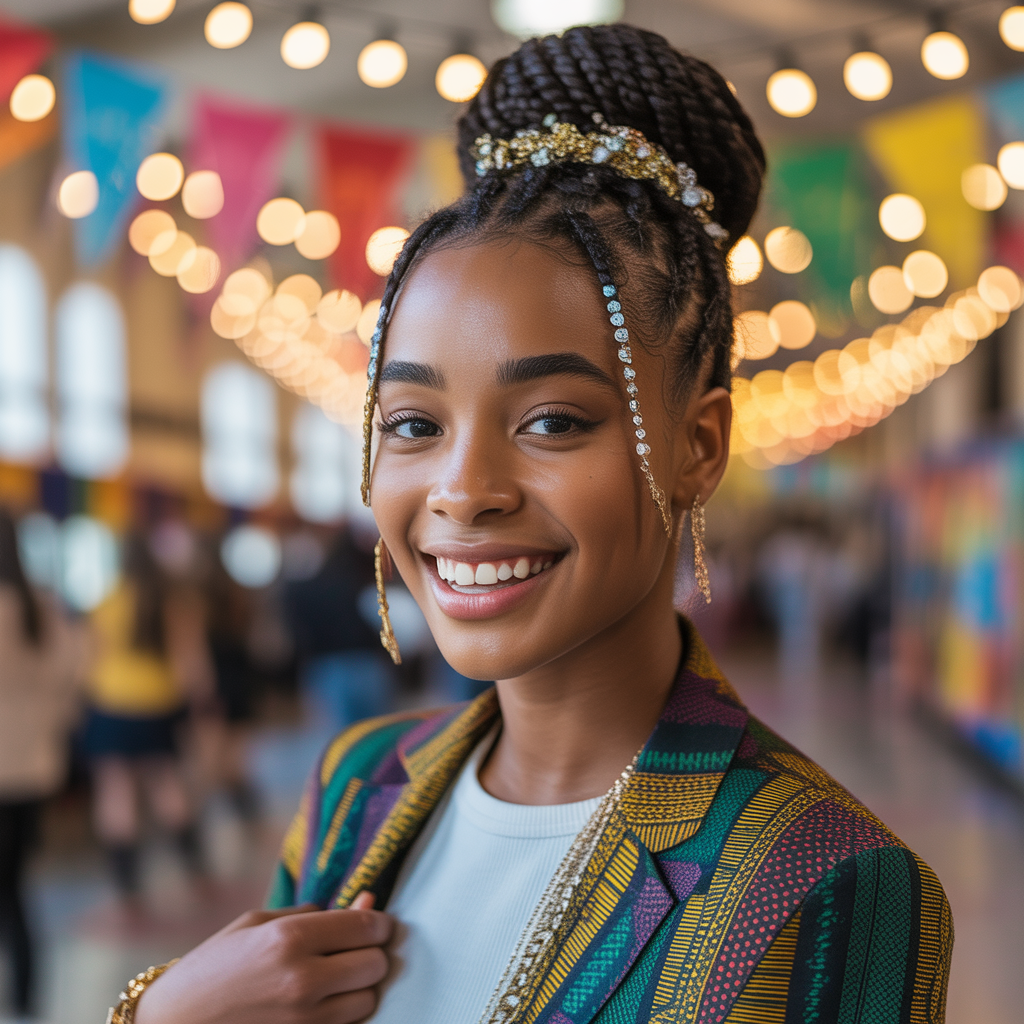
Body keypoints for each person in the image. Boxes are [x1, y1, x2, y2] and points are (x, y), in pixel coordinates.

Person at [126, 25, 952, 1024]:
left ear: (698, 443)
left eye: (553, 420)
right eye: (415, 424)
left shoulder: (818, 880)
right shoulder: (360, 784)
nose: (463, 490)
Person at [83, 533, 205, 902]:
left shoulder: (105, 602)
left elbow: (88, 660)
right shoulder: (172, 602)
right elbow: (190, 658)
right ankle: (193, 866)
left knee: (116, 791)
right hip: (159, 702)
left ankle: (127, 883)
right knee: (166, 784)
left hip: (109, 703)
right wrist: (199, 704)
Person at [0, 509, 82, 1019]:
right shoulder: (41, 605)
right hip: (34, 767)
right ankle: (25, 995)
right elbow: (72, 677)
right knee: (15, 890)